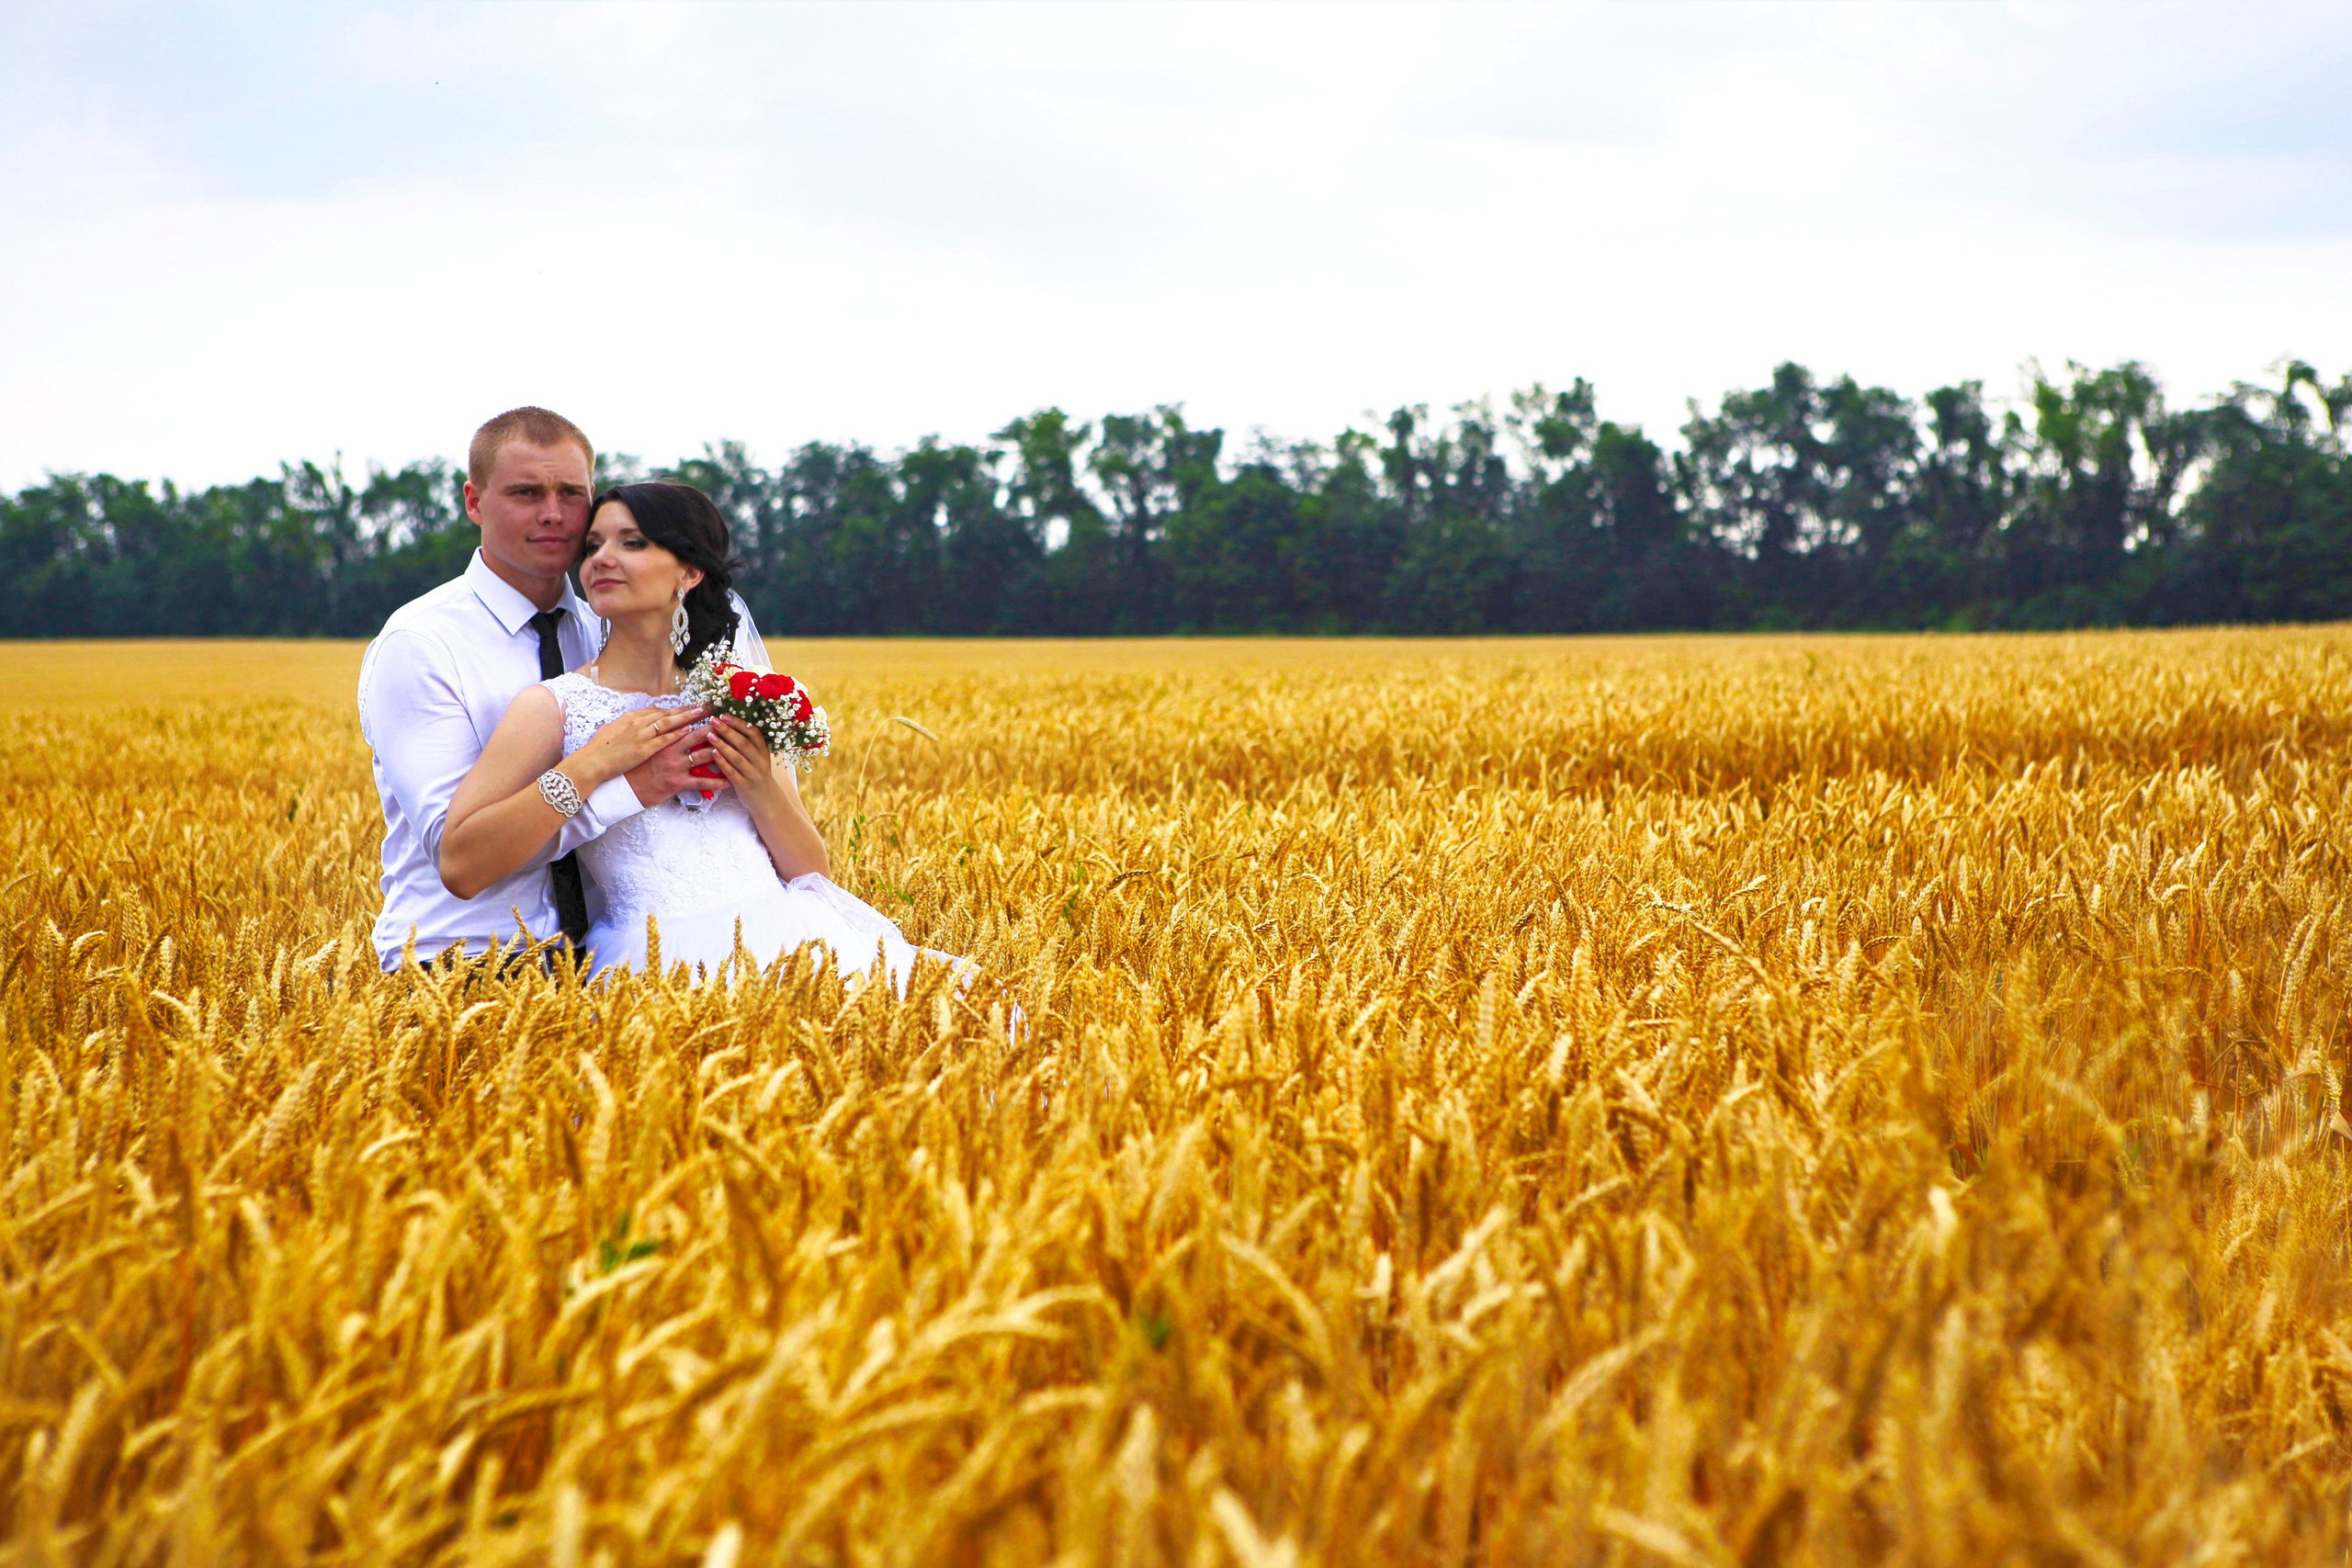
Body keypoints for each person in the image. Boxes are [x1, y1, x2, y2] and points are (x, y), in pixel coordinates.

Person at [438, 479, 961, 987]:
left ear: (688, 571)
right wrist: (595, 764)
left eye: (633, 542)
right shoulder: (553, 707)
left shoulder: (740, 698)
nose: (601, 558)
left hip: (796, 945)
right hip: (653, 964)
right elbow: (461, 864)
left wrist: (759, 789)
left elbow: (811, 874)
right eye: (594, 545)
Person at [357, 407, 768, 970]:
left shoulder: (617, 630)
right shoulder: (422, 644)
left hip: (613, 960)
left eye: (570, 493)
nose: (552, 514)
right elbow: (462, 862)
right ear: (474, 502)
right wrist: (610, 773)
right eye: (526, 493)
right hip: (470, 962)